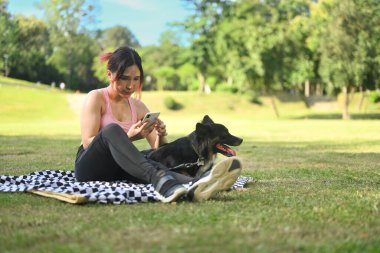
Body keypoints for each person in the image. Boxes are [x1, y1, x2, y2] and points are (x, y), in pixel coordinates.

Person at [74, 46, 242, 203]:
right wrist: (128, 137)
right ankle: (164, 184)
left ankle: (198, 183)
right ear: (110, 74)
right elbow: (88, 141)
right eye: (124, 78)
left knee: (147, 160)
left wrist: (161, 135)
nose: (131, 85)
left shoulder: (138, 106)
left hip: (117, 168)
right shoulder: (96, 97)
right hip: (90, 167)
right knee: (112, 131)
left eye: (136, 79)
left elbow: (159, 148)